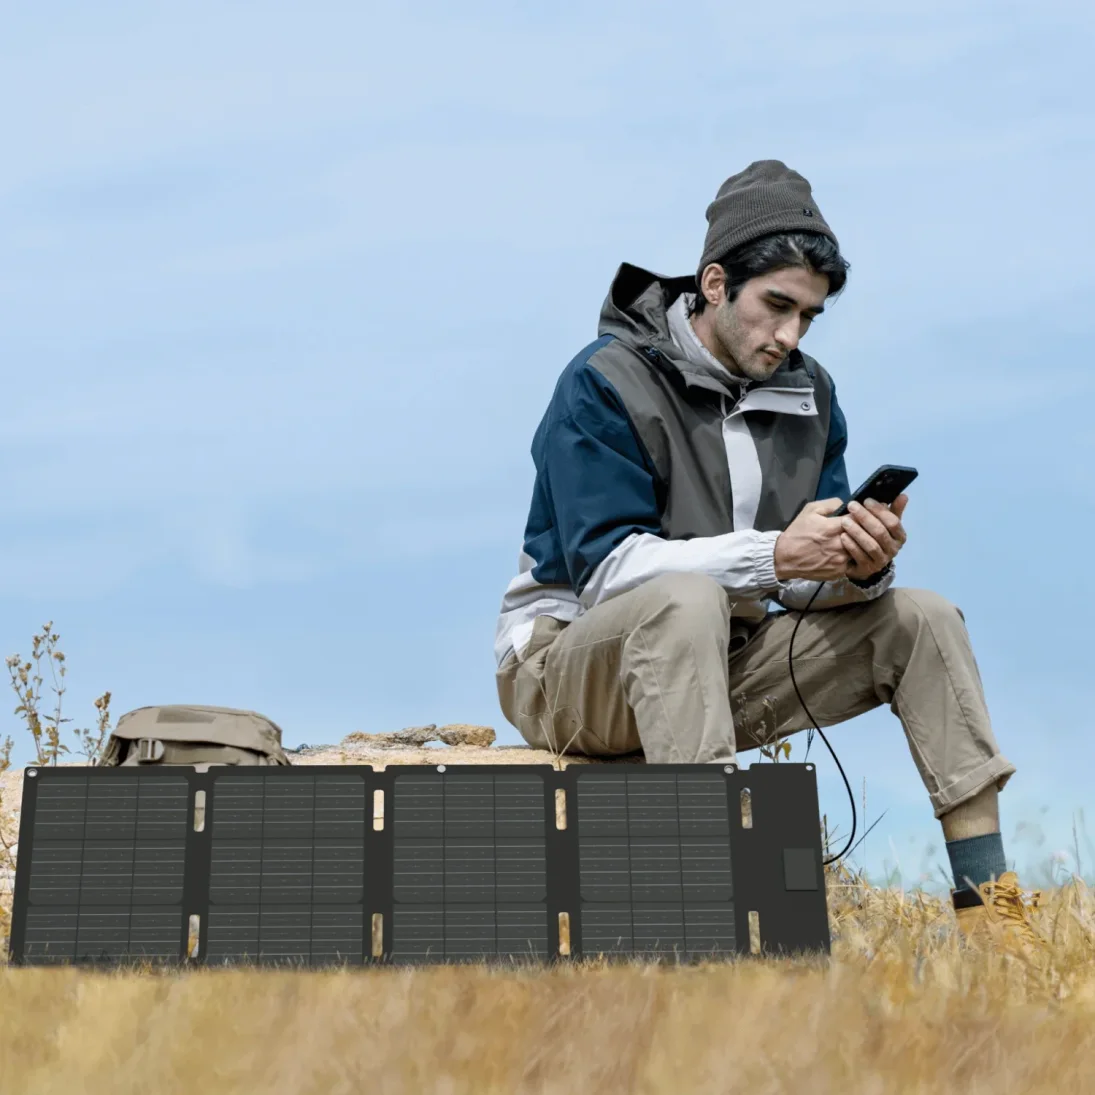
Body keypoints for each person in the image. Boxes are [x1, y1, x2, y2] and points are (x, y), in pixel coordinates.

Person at [493, 160, 1039, 949]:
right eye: (776, 306)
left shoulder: (810, 395)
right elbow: (606, 572)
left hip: (723, 662)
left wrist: (855, 567)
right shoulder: (601, 382)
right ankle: (709, 916)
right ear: (714, 284)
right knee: (683, 600)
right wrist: (777, 554)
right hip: (566, 671)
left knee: (921, 616)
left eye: (807, 316)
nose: (789, 336)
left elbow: (797, 583)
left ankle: (996, 920)